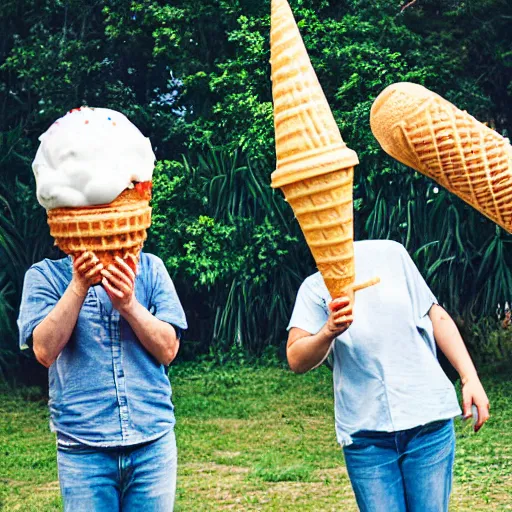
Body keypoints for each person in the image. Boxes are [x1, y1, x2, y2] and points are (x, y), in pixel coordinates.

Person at [287, 239, 490, 512]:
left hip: (427, 424)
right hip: (366, 435)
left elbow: (435, 316)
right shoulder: (315, 287)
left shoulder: (391, 255)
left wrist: (470, 378)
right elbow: (296, 358)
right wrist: (328, 331)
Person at [18, 250, 187, 512]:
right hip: (83, 451)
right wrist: (78, 287)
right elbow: (44, 351)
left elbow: (168, 350)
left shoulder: (151, 269)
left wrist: (129, 305)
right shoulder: (44, 276)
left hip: (152, 445)